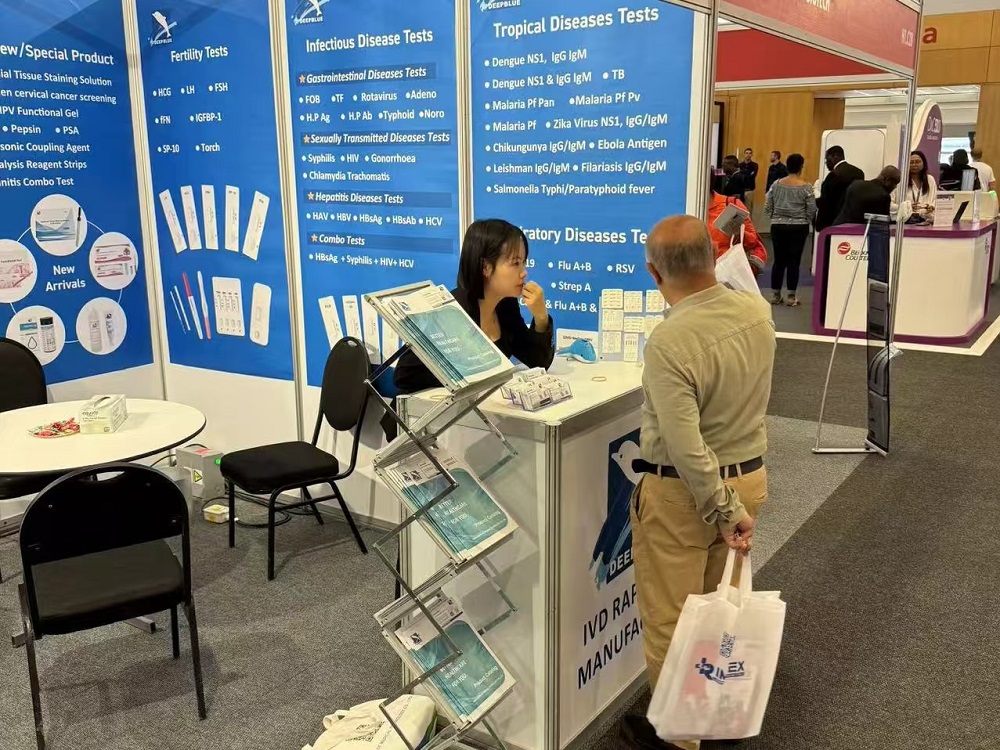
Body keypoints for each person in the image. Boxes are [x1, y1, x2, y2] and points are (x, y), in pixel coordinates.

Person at [622, 215, 775, 750]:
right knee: (716, 611)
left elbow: (686, 448)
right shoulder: (756, 312)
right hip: (748, 478)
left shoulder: (670, 341)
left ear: (653, 273)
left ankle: (679, 740)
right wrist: (734, 506)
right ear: (712, 258)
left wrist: (723, 508)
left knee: (674, 620)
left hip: (687, 498)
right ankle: (710, 716)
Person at [393, 219, 555, 394]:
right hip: (433, 409)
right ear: (486, 267)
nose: (524, 272)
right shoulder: (452, 311)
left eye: (524, 262)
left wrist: (541, 318)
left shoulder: (505, 305)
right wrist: (463, 375)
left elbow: (538, 362)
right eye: (515, 263)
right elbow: (404, 375)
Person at [765, 153, 816, 307]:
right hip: (798, 227)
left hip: (778, 226)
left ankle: (775, 295)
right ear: (801, 167)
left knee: (778, 260)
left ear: (787, 166)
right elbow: (812, 208)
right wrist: (805, 220)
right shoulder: (806, 187)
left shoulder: (776, 184)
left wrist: (775, 217)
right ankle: (791, 297)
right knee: (794, 261)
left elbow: (768, 205)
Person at [708, 173, 768, 276]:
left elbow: (752, 240)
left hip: (728, 272)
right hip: (693, 274)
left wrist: (739, 232)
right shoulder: (684, 209)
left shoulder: (730, 204)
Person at [815, 145, 865, 231]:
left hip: (833, 222)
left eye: (827, 159)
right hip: (852, 221)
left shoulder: (833, 175)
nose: (826, 163)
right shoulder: (859, 173)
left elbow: (826, 202)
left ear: (835, 157)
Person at [899, 151, 936, 222]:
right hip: (905, 221)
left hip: (925, 220)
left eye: (917, 162)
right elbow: (891, 204)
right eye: (911, 162)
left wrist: (931, 206)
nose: (914, 165)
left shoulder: (930, 179)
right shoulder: (901, 180)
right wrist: (908, 207)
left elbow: (934, 199)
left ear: (923, 163)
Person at [740, 147, 760, 213]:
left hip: (749, 190)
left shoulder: (755, 165)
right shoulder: (740, 165)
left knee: (748, 210)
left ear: (752, 155)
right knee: (740, 210)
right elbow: (740, 177)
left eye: (750, 153)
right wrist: (747, 174)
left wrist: (744, 174)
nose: (748, 155)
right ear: (744, 154)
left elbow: (752, 176)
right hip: (740, 191)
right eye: (746, 153)